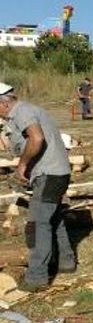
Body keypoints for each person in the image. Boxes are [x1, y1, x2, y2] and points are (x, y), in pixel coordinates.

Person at [0, 82, 75, 291]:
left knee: (38, 223)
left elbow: (37, 138)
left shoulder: (22, 112)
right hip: (56, 173)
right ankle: (66, 261)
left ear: (4, 103)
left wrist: (22, 165)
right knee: (54, 217)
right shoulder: (24, 111)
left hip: (49, 175)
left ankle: (37, 277)